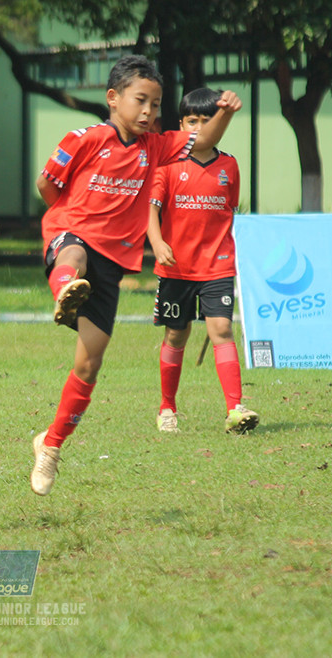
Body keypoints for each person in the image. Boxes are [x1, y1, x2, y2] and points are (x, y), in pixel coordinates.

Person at [29, 56, 242, 496]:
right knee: (74, 255)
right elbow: (46, 185)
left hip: (111, 263)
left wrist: (224, 112)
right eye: (140, 100)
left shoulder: (157, 148)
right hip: (72, 232)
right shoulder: (86, 138)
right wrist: (69, 213)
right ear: (113, 98)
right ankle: (65, 289)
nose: (148, 111)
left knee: (89, 365)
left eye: (156, 104)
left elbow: (204, 139)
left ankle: (50, 446)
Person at [147, 88, 259, 436]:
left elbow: (230, 209)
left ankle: (235, 408)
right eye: (191, 121)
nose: (198, 128)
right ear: (180, 125)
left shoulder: (229, 166)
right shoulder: (167, 165)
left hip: (217, 265)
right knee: (176, 334)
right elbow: (150, 212)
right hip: (176, 268)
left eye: (205, 121)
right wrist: (158, 243)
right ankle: (167, 407)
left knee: (222, 329)